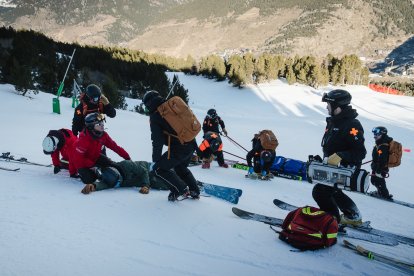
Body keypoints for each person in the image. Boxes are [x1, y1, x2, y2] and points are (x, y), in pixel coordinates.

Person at [312, 89, 367, 226]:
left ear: (337, 107)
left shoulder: (352, 125)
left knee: (320, 191)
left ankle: (332, 222)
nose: (326, 107)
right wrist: (324, 159)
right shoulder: (334, 122)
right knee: (332, 191)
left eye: (329, 105)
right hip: (334, 166)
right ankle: (353, 216)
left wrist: (341, 155)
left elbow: (360, 152)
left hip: (346, 167)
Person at [142, 90, 200, 201]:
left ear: (149, 104)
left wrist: (156, 162)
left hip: (179, 148)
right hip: (191, 143)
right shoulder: (172, 106)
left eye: (146, 106)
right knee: (180, 167)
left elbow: (157, 141)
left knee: (159, 169)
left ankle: (179, 189)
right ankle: (194, 191)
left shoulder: (156, 116)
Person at [72, 112, 131, 186]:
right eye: (99, 124)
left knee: (113, 165)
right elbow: (78, 159)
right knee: (89, 179)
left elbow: (114, 147)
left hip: (95, 156)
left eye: (102, 123)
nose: (102, 126)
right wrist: (92, 166)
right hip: (82, 162)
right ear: (91, 126)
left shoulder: (103, 135)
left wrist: (126, 156)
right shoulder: (84, 139)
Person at [80, 160, 170, 194]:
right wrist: (93, 186)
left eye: (119, 182)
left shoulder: (126, 164)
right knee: (166, 185)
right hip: (148, 180)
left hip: (148, 168)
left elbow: (143, 171)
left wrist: (146, 185)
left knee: (169, 173)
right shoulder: (111, 180)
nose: (119, 184)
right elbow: (103, 184)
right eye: (117, 184)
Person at [370, 126, 393, 199]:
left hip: (380, 167)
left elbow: (382, 159)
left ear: (382, 134)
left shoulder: (383, 145)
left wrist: (379, 170)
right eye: (374, 134)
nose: (375, 136)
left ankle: (385, 195)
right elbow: (380, 155)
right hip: (377, 166)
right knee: (374, 180)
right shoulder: (381, 143)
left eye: (377, 134)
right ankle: (381, 192)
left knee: (378, 180)